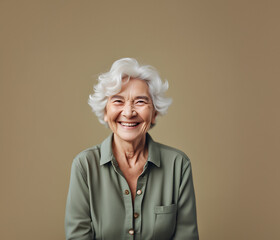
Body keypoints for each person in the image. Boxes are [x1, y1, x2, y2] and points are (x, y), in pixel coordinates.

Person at [65, 58, 199, 240]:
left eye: (140, 102)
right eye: (118, 101)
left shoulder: (178, 165)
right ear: (105, 112)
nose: (128, 112)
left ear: (154, 113)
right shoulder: (84, 166)